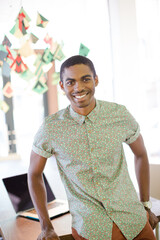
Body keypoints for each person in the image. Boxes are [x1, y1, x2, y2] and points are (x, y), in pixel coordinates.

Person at [28, 55, 159, 240]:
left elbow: (141, 154)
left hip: (135, 223)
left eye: (85, 79)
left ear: (96, 80)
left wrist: (145, 205)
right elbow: (34, 174)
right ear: (62, 86)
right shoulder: (51, 128)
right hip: (91, 231)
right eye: (71, 82)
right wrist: (46, 226)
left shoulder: (119, 114)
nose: (78, 87)